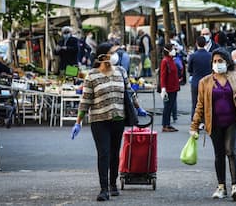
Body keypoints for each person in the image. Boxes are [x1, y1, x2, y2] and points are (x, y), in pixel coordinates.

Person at [70, 42, 147, 201]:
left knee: (114, 154)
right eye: (112, 52)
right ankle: (104, 189)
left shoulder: (121, 72)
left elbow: (129, 92)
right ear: (102, 56)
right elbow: (86, 100)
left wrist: (138, 108)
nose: (115, 55)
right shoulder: (92, 75)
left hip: (118, 119)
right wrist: (78, 122)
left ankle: (113, 184)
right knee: (103, 153)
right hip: (99, 121)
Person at [189, 48, 236, 201]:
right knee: (218, 154)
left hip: (232, 122)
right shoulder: (205, 82)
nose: (217, 64)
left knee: (231, 151)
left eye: (220, 61)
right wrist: (194, 126)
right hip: (214, 123)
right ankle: (221, 187)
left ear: (227, 62)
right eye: (214, 61)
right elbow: (199, 105)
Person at [188, 36, 212, 119]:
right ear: (205, 44)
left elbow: (189, 69)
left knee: (195, 103)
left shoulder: (193, 56)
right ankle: (206, 121)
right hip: (208, 82)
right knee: (207, 103)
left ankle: (195, 122)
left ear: (196, 43)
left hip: (196, 82)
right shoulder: (210, 55)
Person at [160, 43, 180, 132]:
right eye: (172, 49)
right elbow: (163, 76)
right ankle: (165, 125)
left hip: (174, 87)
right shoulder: (165, 61)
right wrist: (163, 88)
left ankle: (168, 124)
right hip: (168, 88)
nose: (174, 50)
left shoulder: (171, 60)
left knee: (171, 106)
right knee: (167, 107)